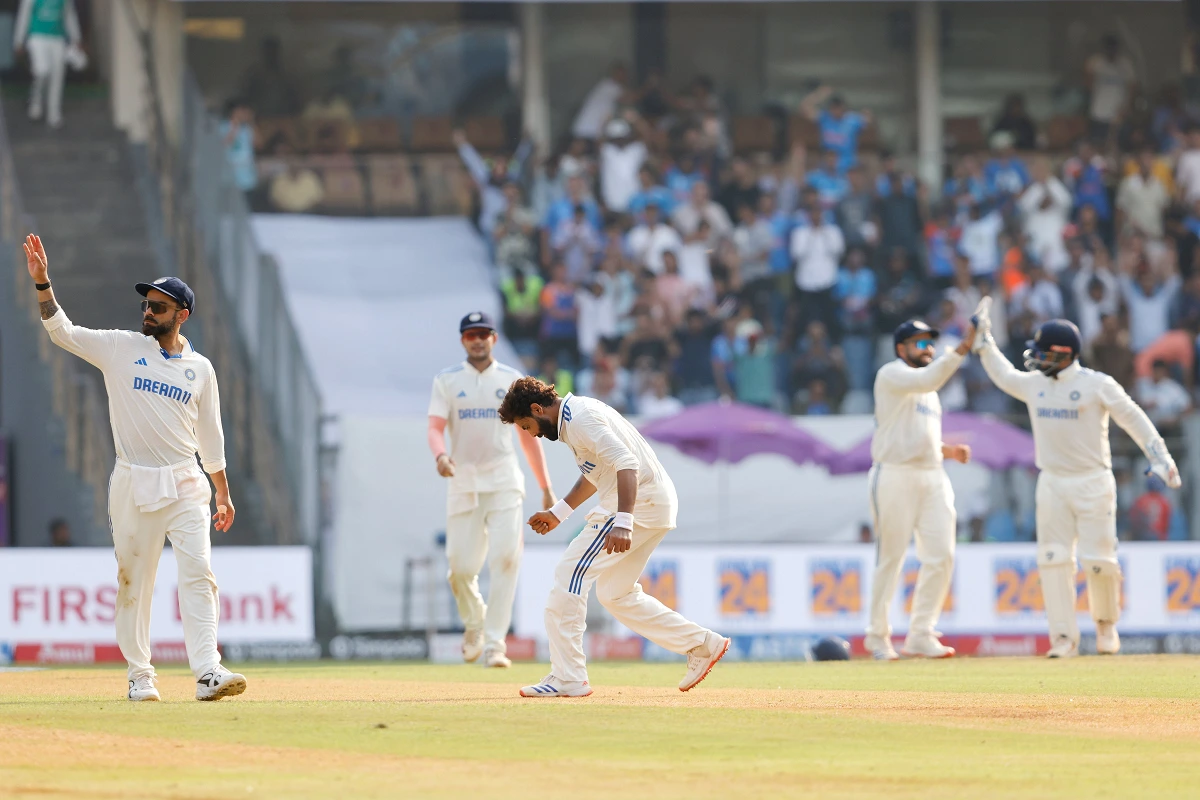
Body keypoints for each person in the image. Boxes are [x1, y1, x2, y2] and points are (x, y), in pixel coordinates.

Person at [24, 234, 245, 702]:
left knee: (199, 572)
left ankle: (208, 672)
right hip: (133, 481)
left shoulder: (201, 369)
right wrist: (44, 285)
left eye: (159, 307)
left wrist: (222, 492)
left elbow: (212, 436)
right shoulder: (121, 348)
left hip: (187, 481)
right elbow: (61, 331)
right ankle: (139, 674)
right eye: (147, 304)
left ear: (181, 315)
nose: (148, 312)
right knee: (134, 579)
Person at [498, 377, 730, 697]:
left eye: (526, 426)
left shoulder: (580, 419)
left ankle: (568, 676)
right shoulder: (574, 417)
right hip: (656, 503)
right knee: (614, 593)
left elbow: (626, 462)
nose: (532, 434)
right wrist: (558, 513)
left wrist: (623, 520)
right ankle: (702, 645)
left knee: (569, 574)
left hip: (640, 504)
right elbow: (597, 473)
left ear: (537, 410)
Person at [973, 304, 1181, 658]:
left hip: (1093, 482)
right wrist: (984, 340)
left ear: (1063, 354)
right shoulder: (1035, 385)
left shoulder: (1096, 385)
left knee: (1099, 561)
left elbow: (1133, 417)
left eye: (1042, 353)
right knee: (1053, 560)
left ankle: (1105, 627)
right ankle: (1063, 639)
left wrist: (1160, 458)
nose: (1035, 359)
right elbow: (1003, 375)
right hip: (1052, 482)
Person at [427, 312, 556, 669]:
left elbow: (529, 437)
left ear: (494, 338)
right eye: (471, 335)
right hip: (463, 481)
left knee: (506, 559)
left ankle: (495, 644)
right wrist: (440, 455)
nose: (478, 339)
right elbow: (435, 427)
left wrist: (545, 486)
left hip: (503, 481)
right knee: (461, 568)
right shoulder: (447, 380)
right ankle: (475, 624)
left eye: (484, 333)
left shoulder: (512, 380)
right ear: (462, 341)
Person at [865, 319, 975, 661]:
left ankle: (921, 633)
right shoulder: (892, 374)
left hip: (932, 474)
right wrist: (964, 345)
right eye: (920, 343)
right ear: (901, 349)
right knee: (892, 557)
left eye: (931, 343)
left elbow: (916, 434)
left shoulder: (928, 390)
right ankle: (878, 637)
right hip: (894, 474)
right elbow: (930, 376)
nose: (928, 349)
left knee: (941, 554)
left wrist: (947, 450)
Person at [14, 0, 82, 129]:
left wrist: (76, 37)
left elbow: (69, 15)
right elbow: (24, 15)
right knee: (42, 70)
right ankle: (36, 100)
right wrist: (19, 40)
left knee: (57, 76)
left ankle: (54, 114)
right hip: (37, 36)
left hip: (57, 38)